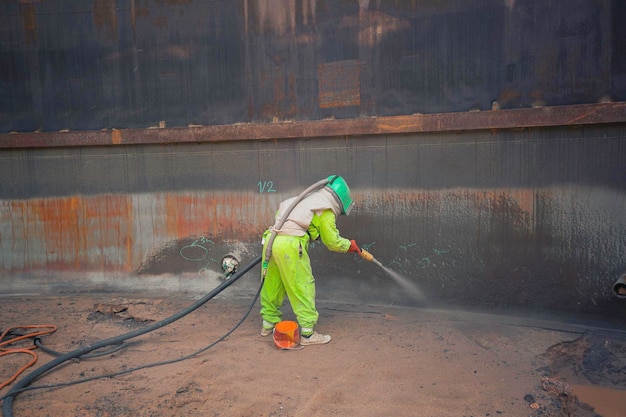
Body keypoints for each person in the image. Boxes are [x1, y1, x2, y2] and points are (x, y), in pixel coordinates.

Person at [259, 175, 361, 346]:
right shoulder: (325, 209)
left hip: (271, 240)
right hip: (291, 246)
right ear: (340, 201)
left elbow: (284, 222)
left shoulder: (298, 200)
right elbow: (332, 241)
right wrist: (348, 245)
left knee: (272, 284)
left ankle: (268, 324)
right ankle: (307, 334)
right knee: (302, 284)